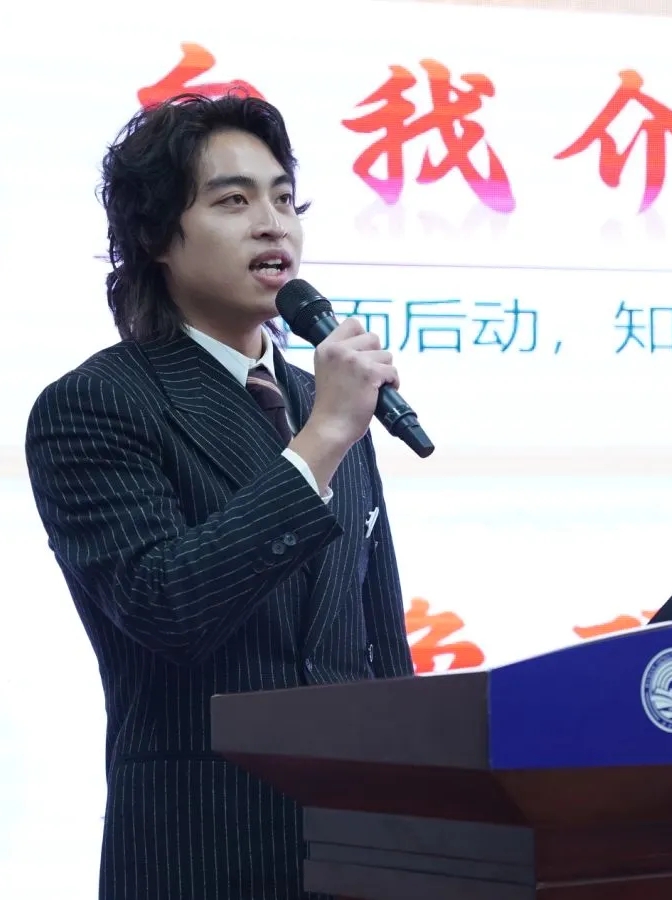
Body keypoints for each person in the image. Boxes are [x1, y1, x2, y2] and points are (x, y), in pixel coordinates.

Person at [24, 91, 415, 900]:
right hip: (203, 848)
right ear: (154, 236)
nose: (273, 226)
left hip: (361, 849)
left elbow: (378, 643)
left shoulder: (328, 402)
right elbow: (166, 604)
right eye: (233, 201)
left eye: (283, 199)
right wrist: (321, 439)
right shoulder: (97, 404)